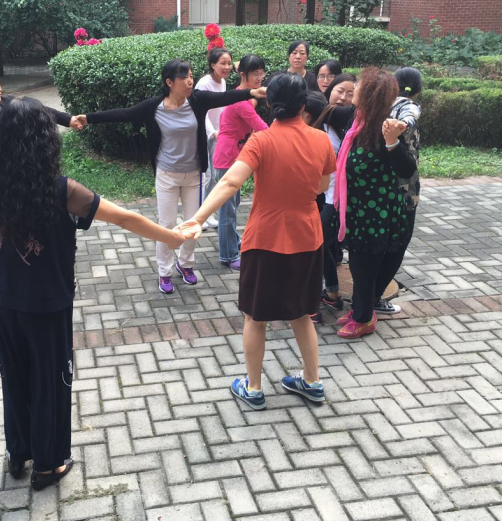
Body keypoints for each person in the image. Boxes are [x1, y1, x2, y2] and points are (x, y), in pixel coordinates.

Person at [0, 97, 185, 490]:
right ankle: (47, 465)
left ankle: (18, 454)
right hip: (48, 304)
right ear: (45, 140)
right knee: (50, 380)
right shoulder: (63, 190)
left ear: (3, 139)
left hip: (4, 301)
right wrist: (171, 236)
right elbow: (124, 217)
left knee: (14, 376)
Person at [178, 73, 336, 409]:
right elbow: (322, 187)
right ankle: (312, 382)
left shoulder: (261, 141)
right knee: (302, 314)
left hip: (265, 240)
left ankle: (253, 388)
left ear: (269, 104)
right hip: (307, 237)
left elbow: (229, 182)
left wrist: (197, 218)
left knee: (255, 316)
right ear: (304, 105)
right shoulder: (321, 140)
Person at [77, 59, 264, 293]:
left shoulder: (197, 100)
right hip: (167, 175)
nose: (190, 81)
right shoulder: (154, 107)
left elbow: (226, 97)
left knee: (192, 223)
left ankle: (185, 264)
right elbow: (124, 113)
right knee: (166, 225)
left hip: (194, 175)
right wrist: (89, 118)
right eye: (184, 77)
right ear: (169, 82)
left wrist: (251, 92)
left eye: (191, 76)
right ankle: (164, 271)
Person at [333, 68, 416, 339]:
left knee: (363, 268)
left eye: (358, 85)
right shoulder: (359, 121)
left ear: (369, 94)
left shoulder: (384, 126)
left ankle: (364, 319)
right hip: (360, 210)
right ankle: (361, 309)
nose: (353, 88)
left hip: (376, 214)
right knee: (360, 266)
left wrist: (392, 142)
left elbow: (406, 168)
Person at [373, 67, 423, 314]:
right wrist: (402, 124)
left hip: (380, 188)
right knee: (398, 244)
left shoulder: (379, 105)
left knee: (380, 243)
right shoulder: (406, 105)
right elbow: (411, 114)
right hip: (405, 191)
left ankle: (369, 295)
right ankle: (375, 297)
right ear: (418, 89)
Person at [212, 55, 268, 270]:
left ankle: (232, 242)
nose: (260, 78)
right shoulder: (240, 101)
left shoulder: (242, 95)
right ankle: (228, 255)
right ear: (243, 75)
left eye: (261, 73)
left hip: (234, 155)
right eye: (255, 74)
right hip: (227, 157)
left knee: (232, 205)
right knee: (227, 210)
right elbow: (262, 127)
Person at [310, 73, 358, 314]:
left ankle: (310, 304)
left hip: (334, 199)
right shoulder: (319, 121)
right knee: (322, 247)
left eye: (351, 93)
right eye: (340, 90)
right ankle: (332, 294)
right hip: (319, 197)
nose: (344, 97)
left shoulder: (346, 125)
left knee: (314, 246)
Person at [195, 47, 234, 230]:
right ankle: (197, 215)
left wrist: (223, 129)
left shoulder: (223, 82)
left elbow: (222, 108)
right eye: (222, 63)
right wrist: (212, 132)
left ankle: (207, 213)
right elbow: (201, 112)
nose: (227, 67)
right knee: (205, 175)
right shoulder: (204, 84)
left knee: (213, 178)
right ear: (213, 65)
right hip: (203, 134)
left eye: (229, 63)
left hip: (219, 134)